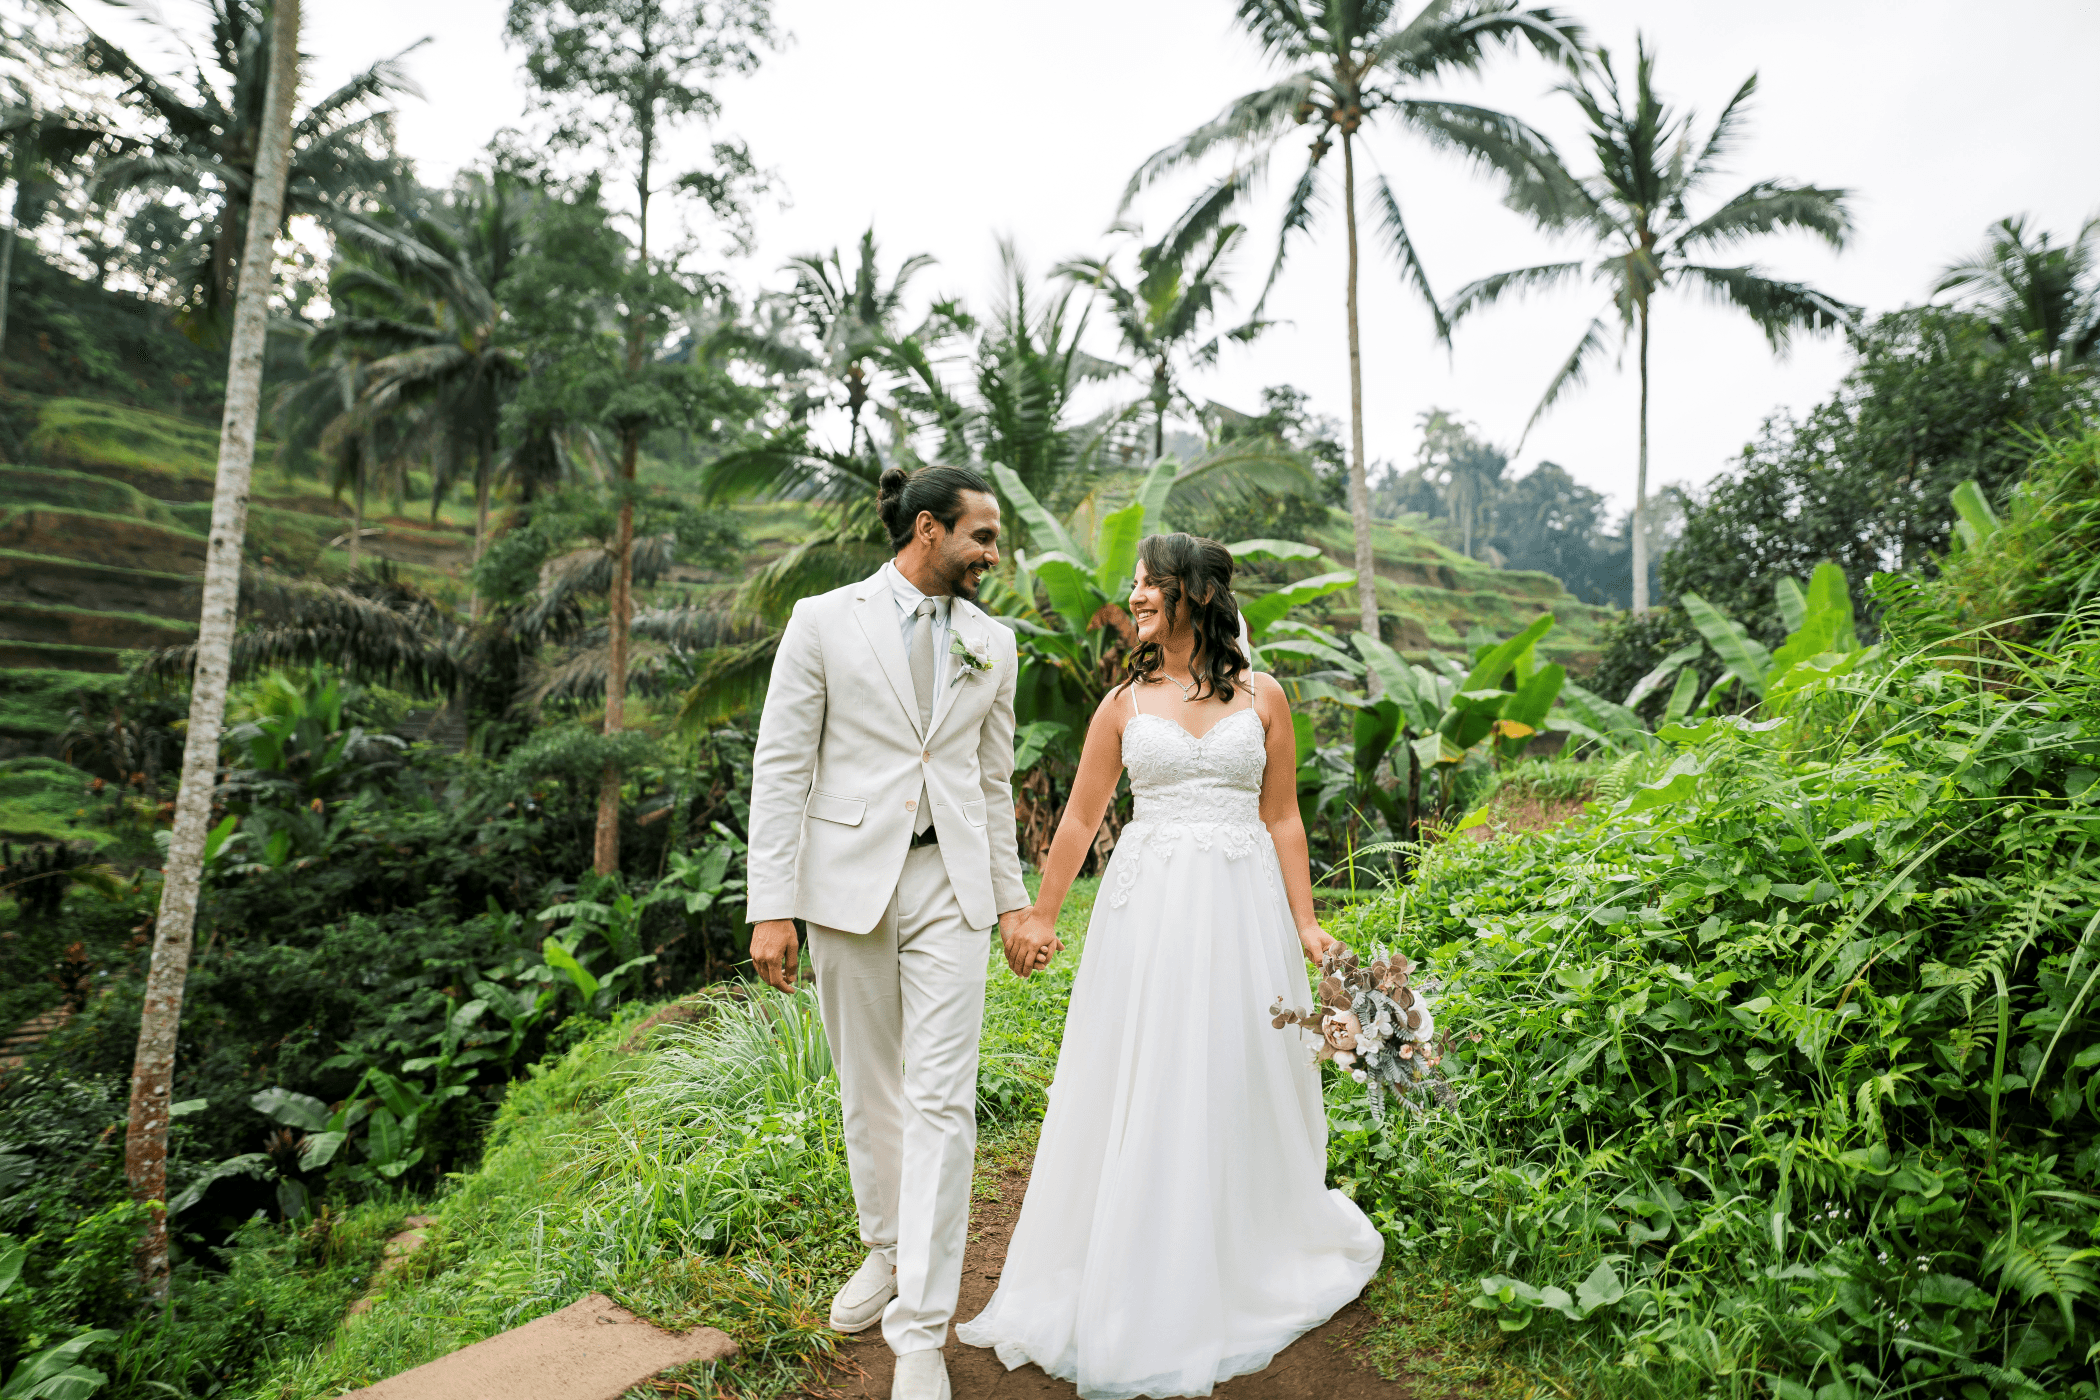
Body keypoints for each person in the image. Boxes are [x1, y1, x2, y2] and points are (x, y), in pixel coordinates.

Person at [957, 532, 1383, 1399]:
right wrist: (1040, 912)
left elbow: (1285, 820)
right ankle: (1134, 1241)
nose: (1136, 594)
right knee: (1142, 1069)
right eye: (1137, 583)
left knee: (1234, 1066)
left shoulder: (1265, 697)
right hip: (1146, 913)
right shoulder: (1122, 703)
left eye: (1149, 582)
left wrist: (1307, 925)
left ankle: (1237, 1239)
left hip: (1242, 910)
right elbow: (1078, 820)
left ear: (1192, 592)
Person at [744, 464, 1056, 1400]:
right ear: (929, 529)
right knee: (867, 1087)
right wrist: (772, 904)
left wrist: (1010, 902)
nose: (995, 556)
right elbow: (781, 767)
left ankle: (920, 1327)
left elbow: (993, 784)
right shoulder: (822, 620)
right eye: (984, 538)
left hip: (949, 887)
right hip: (845, 886)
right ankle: (883, 1249)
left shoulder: (994, 644)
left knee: (941, 1100)